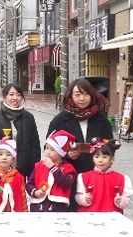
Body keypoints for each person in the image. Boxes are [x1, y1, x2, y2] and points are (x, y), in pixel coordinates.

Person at [47, 77, 113, 210]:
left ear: (92, 95)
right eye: (77, 94)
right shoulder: (60, 121)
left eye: (86, 94)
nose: (82, 99)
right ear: (70, 95)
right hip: (66, 177)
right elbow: (49, 147)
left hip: (94, 175)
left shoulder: (102, 120)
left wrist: (98, 153)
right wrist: (66, 155)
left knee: (93, 211)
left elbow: (110, 147)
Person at [0, 83, 41, 179]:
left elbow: (35, 146)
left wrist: (34, 170)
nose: (15, 98)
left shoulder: (28, 118)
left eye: (18, 95)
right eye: (11, 94)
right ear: (4, 97)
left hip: (21, 170)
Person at [75, 138, 133, 213]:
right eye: (97, 157)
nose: (100, 160)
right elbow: (78, 195)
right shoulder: (84, 177)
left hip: (112, 215)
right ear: (92, 158)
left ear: (112, 159)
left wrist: (121, 201)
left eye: (104, 157)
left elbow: (126, 198)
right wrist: (83, 199)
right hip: (89, 214)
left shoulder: (122, 178)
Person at [26, 130, 77, 212]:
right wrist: (35, 192)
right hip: (38, 205)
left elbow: (66, 183)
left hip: (58, 205)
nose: (48, 152)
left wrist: (53, 168)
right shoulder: (39, 165)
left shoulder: (68, 168)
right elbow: (29, 184)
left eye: (52, 150)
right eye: (46, 148)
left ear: (61, 153)